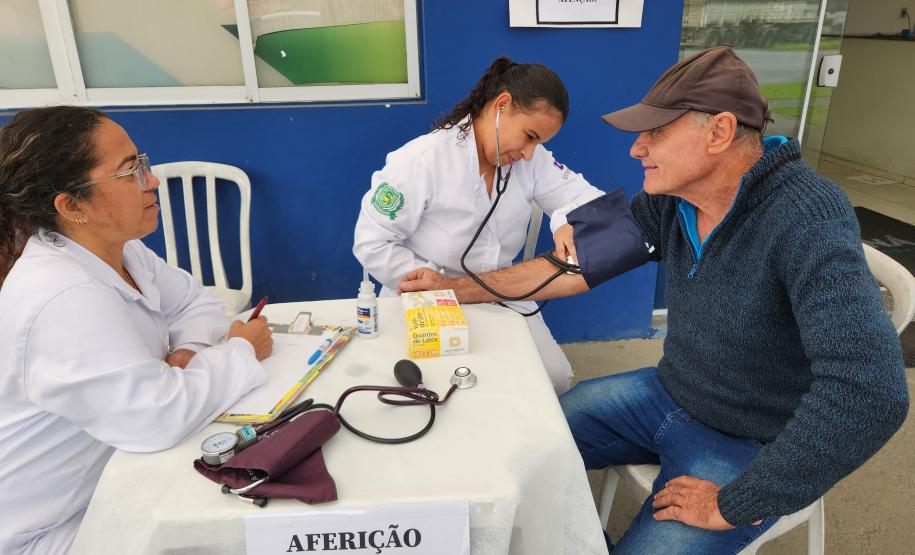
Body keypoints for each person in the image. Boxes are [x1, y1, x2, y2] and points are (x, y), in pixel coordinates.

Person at [399, 46, 909, 553]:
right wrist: (456, 288)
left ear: (719, 132)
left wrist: (737, 502)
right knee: (511, 449)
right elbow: (571, 268)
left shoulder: (807, 217)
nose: (636, 149)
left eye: (656, 132)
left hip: (751, 442)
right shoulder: (671, 200)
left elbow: (871, 391)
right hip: (667, 392)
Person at [0, 106, 273, 555]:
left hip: (112, 478)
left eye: (141, 163)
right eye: (129, 173)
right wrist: (240, 350)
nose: (152, 182)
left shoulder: (120, 252)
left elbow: (194, 302)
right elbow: (157, 417)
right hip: (51, 531)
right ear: (71, 206)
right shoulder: (62, 295)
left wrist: (187, 353)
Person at [353, 56, 604, 394]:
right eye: (529, 136)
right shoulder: (420, 162)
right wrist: (430, 282)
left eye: (539, 143)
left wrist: (566, 219)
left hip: (501, 291)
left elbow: (588, 200)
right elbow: (372, 242)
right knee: (451, 386)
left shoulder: (532, 161)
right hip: (427, 296)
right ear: (502, 106)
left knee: (554, 379)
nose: (530, 154)